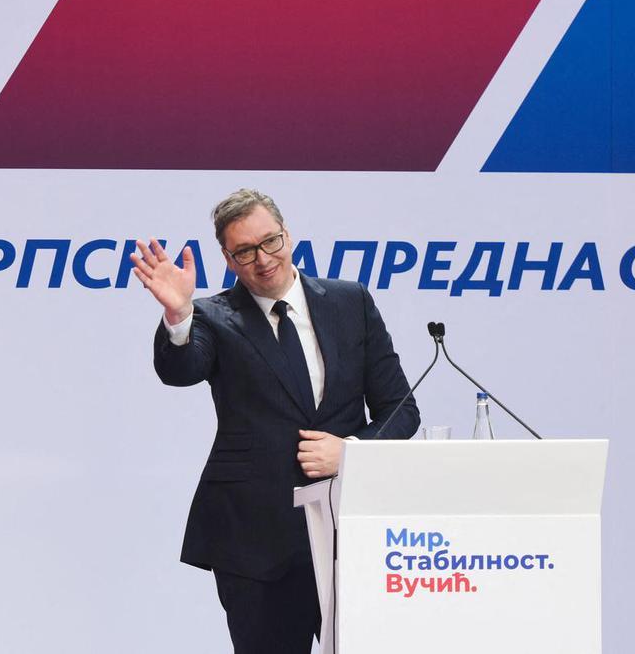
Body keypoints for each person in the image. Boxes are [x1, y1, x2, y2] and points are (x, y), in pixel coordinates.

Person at [130, 189, 420, 653]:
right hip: (254, 539)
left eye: (271, 242)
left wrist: (352, 451)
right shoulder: (211, 315)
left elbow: (402, 409)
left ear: (288, 236)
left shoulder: (351, 302)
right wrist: (178, 314)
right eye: (245, 251)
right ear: (227, 257)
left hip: (350, 534)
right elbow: (181, 370)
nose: (263, 259)